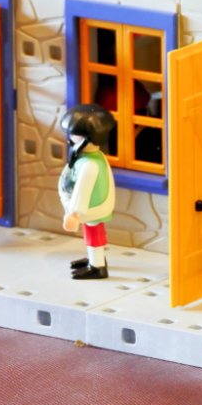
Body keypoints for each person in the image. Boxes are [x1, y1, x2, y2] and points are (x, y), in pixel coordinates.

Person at [58, 104, 117, 280]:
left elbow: (82, 191)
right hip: (90, 206)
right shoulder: (91, 157)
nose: (70, 138)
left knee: (93, 233)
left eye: (75, 135)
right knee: (91, 231)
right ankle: (94, 259)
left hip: (92, 206)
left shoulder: (90, 164)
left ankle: (97, 266)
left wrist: (74, 213)